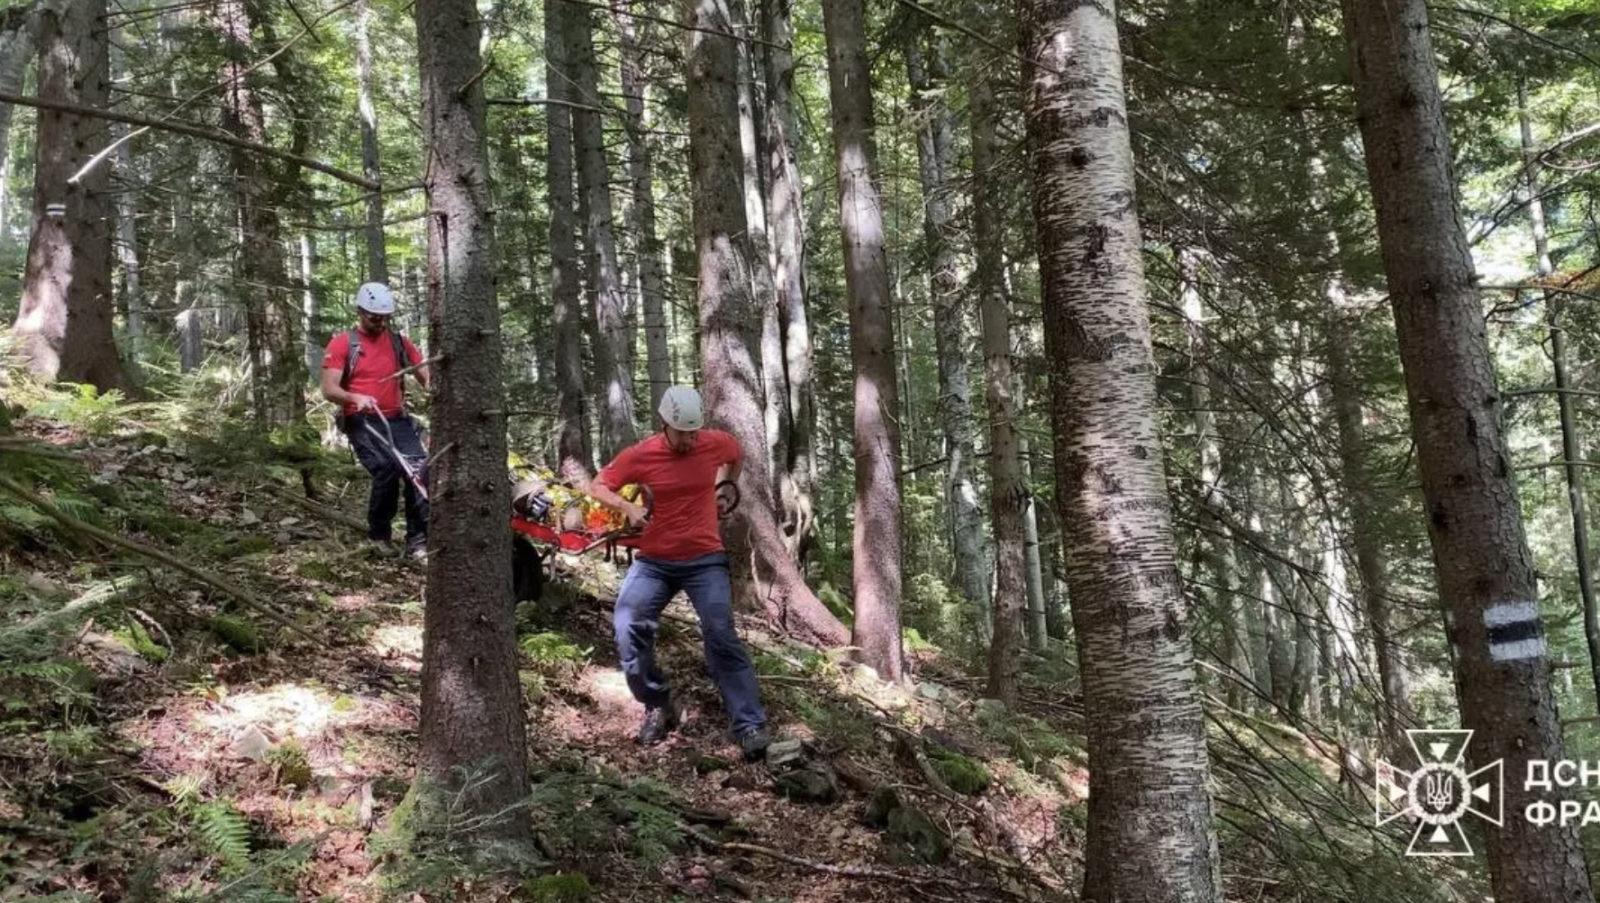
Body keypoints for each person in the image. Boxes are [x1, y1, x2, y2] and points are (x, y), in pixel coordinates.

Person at [588, 385, 772, 759]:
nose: (690, 439)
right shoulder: (642, 455)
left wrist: (724, 486)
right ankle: (657, 703)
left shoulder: (714, 443)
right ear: (665, 424)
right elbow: (598, 485)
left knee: (720, 633)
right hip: (655, 561)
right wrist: (627, 507)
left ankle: (749, 724)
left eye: (694, 431)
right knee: (627, 627)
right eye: (682, 432)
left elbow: (734, 455)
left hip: (705, 558)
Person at [319, 283, 431, 558]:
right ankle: (379, 535)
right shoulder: (345, 343)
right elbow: (329, 388)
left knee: (420, 471)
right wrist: (355, 398)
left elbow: (423, 372)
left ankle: (418, 542)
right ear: (360, 311)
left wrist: (434, 388)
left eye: (385, 318)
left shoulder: (397, 342)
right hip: (361, 419)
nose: (380, 323)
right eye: (374, 317)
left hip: (396, 418)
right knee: (386, 468)